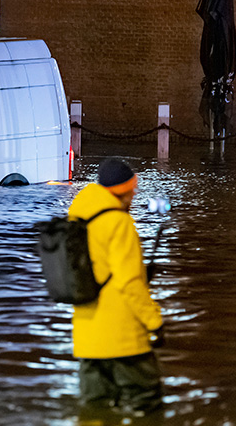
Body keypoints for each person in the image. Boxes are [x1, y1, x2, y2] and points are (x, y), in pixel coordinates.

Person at [67, 158, 164, 416]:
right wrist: (154, 322)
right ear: (125, 191)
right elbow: (129, 283)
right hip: (123, 340)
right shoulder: (119, 223)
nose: (135, 195)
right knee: (147, 405)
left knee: (95, 411)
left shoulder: (78, 219)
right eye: (133, 190)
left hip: (87, 340)